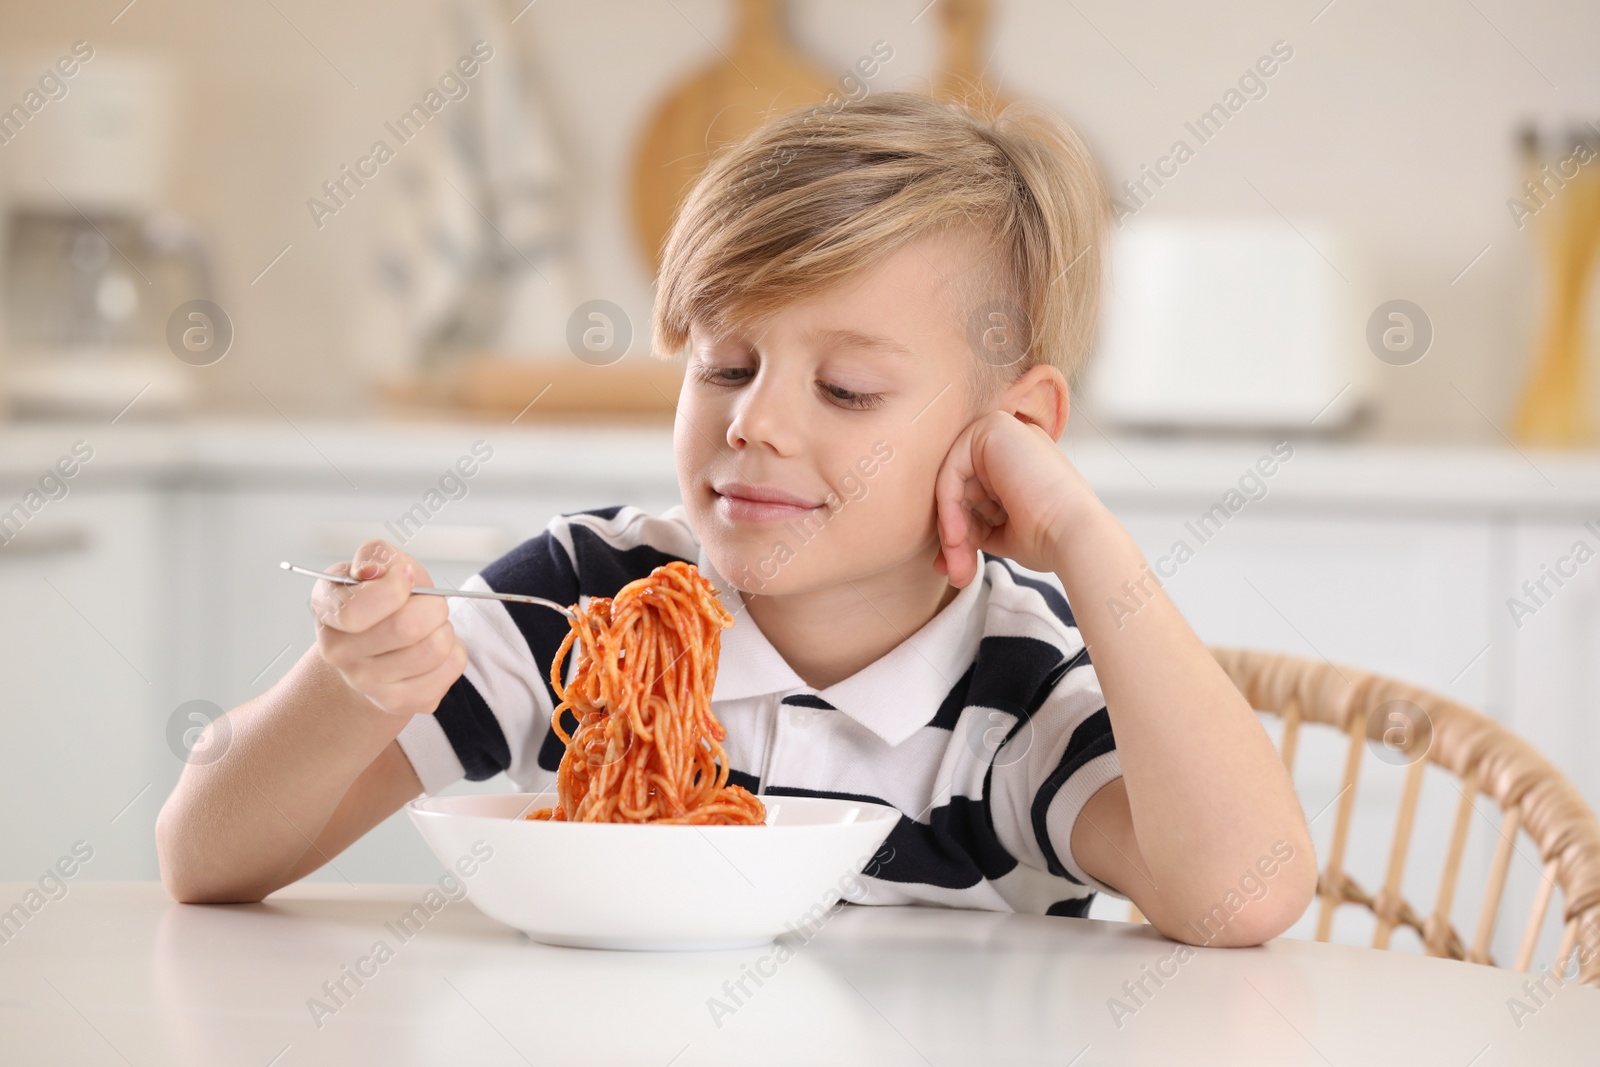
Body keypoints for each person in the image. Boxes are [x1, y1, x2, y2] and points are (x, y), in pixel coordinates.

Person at [157, 90, 1314, 946]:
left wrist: (1082, 535)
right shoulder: (582, 599)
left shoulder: (1011, 695)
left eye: (847, 389)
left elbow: (1242, 891)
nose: (754, 422)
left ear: (1008, 429)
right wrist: (350, 681)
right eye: (724, 364)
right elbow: (203, 856)